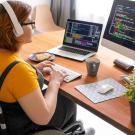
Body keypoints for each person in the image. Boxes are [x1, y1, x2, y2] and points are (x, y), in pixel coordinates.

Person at [0, 1, 77, 135]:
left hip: (8, 120)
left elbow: (9, 79)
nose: (33, 26)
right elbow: (43, 118)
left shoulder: (9, 61)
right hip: (24, 128)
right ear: (15, 29)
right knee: (68, 101)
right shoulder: (18, 71)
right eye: (29, 22)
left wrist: (34, 69)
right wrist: (54, 82)